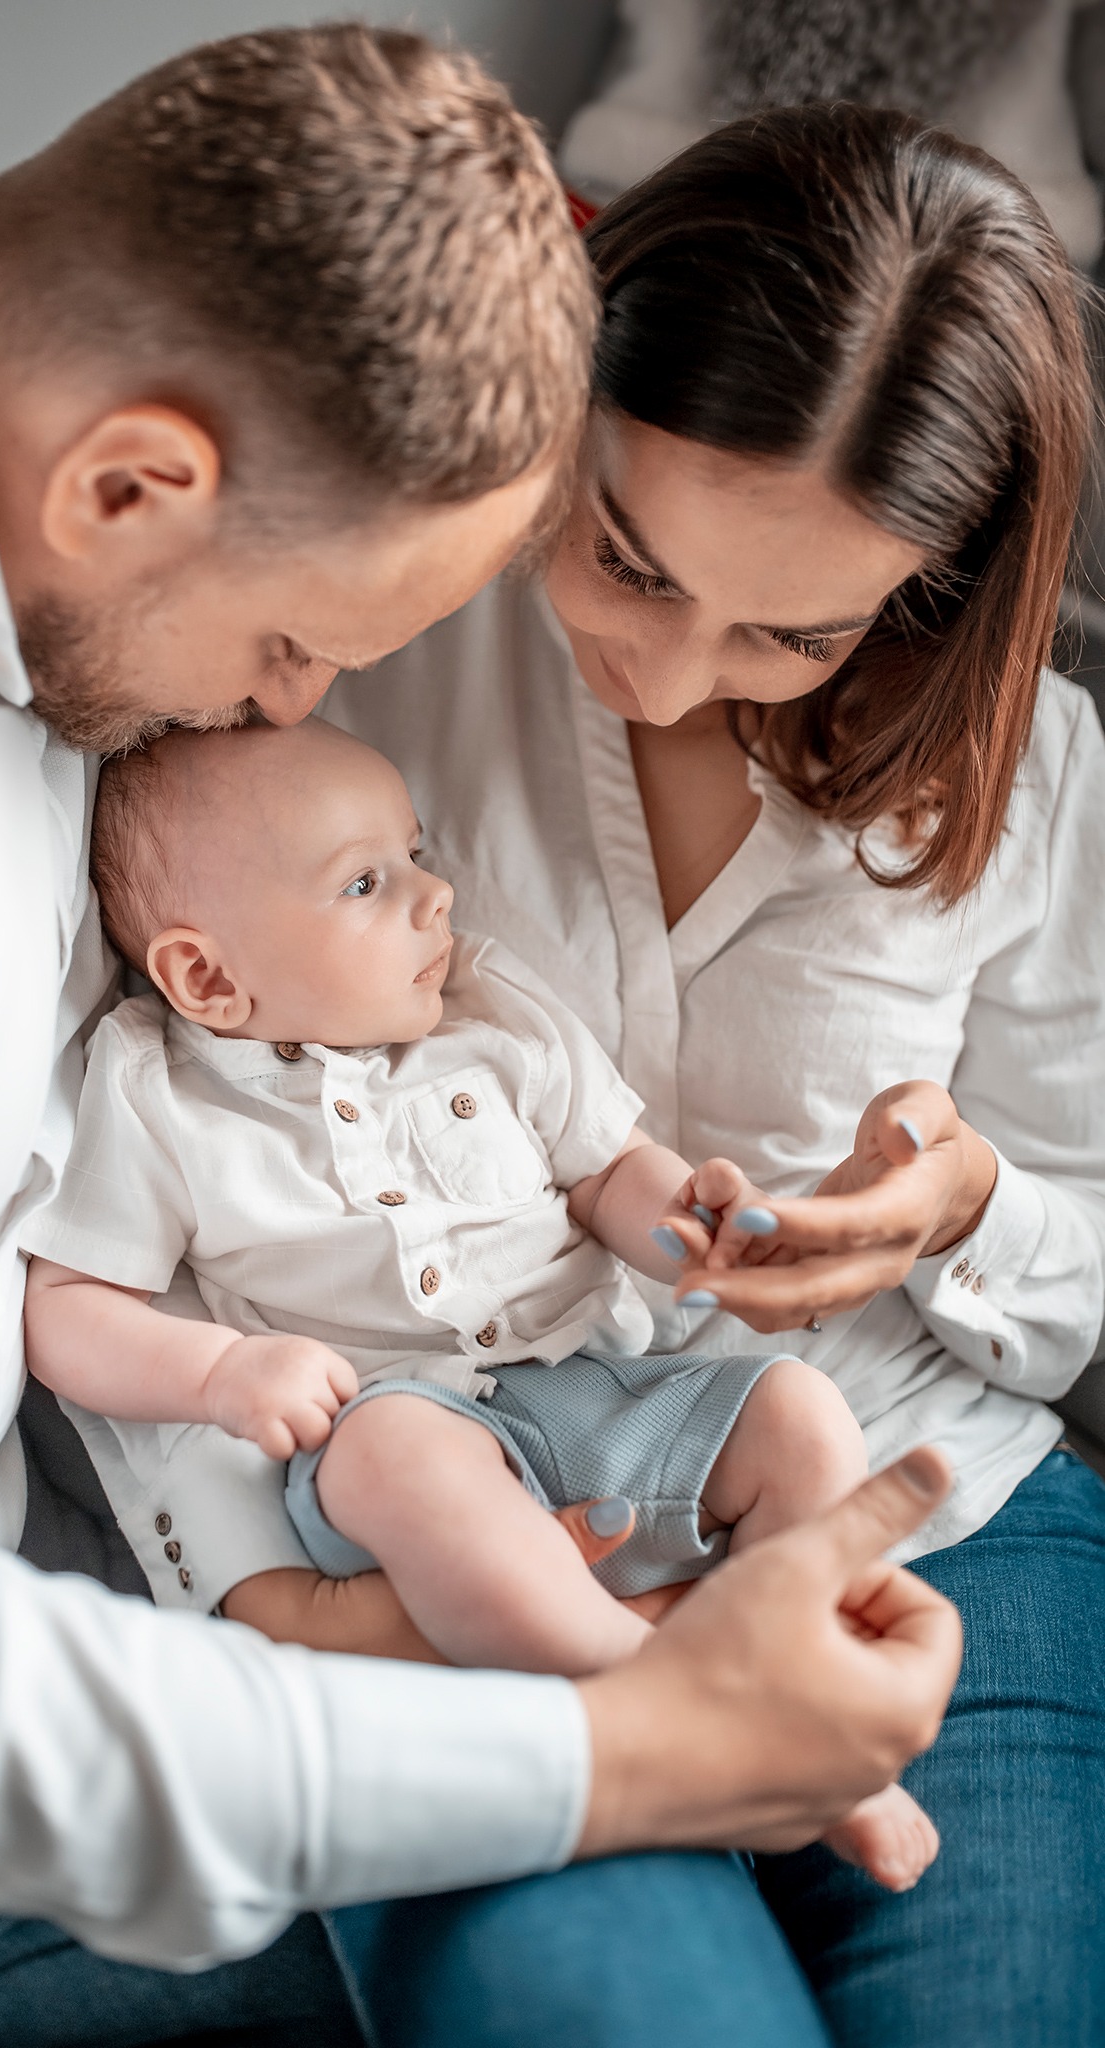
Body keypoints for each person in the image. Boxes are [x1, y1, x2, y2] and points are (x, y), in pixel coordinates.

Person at [0, 29, 962, 2048]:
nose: (282, 707)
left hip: (58, 1719)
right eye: (292, 650)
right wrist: (629, 1749)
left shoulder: (18, 588)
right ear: (133, 484)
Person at [171, 102, 1102, 2044]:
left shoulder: (1037, 782)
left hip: (921, 1488)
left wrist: (968, 1209)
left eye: (792, 628)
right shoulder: (362, 642)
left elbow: (1074, 1251)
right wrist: (288, 1592)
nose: (670, 674)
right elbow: (166, 1124)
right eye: (625, 556)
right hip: (486, 1506)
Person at [21, 716, 938, 1891]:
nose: (435, 895)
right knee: (392, 1453)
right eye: (368, 881)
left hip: (602, 1390)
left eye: (416, 852)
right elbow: (70, 1307)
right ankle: (659, 1688)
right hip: (408, 1431)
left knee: (802, 1414)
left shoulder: (492, 1016)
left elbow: (610, 1170)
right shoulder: (159, 1094)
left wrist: (703, 1234)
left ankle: (795, 1668)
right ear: (209, 975)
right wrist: (219, 1374)